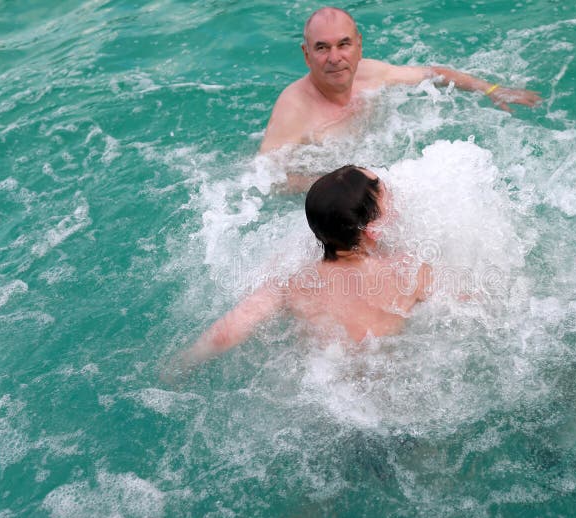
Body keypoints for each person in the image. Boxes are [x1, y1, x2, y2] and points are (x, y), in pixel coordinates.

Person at [162, 165, 432, 382]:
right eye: (389, 195)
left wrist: (184, 362)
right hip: (394, 396)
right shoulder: (407, 269)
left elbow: (229, 331)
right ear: (372, 229)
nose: (396, 196)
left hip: (331, 395)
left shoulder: (295, 279)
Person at [259, 6, 542, 154]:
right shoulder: (294, 108)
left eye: (343, 44)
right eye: (322, 48)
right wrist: (337, 178)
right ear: (306, 54)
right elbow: (266, 178)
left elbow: (435, 73)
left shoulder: (370, 73)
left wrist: (490, 89)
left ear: (359, 46)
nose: (334, 57)